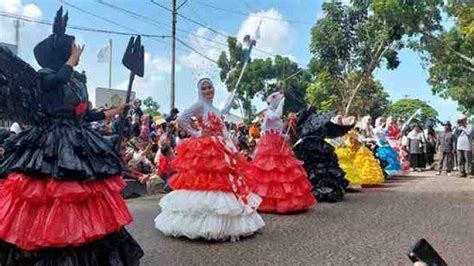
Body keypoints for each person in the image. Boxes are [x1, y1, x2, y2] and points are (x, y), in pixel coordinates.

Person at [0, 8, 143, 264]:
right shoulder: (42, 76)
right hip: (48, 143)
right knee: (50, 194)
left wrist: (115, 111)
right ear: (61, 54)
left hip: (77, 139)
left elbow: (86, 116)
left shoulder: (77, 80)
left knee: (83, 195)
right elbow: (54, 82)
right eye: (72, 49)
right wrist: (70, 61)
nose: (77, 52)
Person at [154, 78, 264, 240]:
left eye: (210, 87)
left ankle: (225, 223)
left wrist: (233, 148)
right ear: (200, 91)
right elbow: (182, 119)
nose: (207, 90)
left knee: (224, 182)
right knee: (205, 181)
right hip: (205, 148)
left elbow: (224, 129)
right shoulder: (200, 105)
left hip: (220, 147)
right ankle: (202, 226)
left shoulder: (215, 108)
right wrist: (197, 133)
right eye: (204, 88)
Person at [247, 92, 315, 213]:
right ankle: (267, 201)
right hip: (268, 145)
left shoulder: (274, 113)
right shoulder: (268, 112)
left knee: (282, 171)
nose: (280, 104)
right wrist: (282, 102)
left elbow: (277, 127)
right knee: (269, 171)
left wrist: (284, 134)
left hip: (279, 144)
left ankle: (284, 200)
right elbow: (274, 117)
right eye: (278, 102)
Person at [293, 107, 353, 202]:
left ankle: (318, 188)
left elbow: (332, 130)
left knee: (319, 167)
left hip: (314, 145)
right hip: (313, 145)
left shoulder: (309, 122)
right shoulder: (311, 121)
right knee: (315, 166)